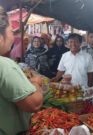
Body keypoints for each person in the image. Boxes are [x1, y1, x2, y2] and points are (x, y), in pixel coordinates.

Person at [0, 6, 43, 135]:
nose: (13, 37)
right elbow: (34, 104)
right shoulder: (4, 65)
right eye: (11, 31)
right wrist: (36, 83)